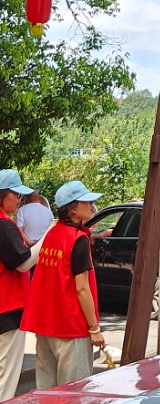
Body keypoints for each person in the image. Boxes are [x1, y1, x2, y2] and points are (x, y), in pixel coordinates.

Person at [21, 180, 106, 388]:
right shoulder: (77, 239)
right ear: (73, 209)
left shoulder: (51, 234)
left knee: (47, 390)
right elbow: (82, 289)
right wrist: (94, 328)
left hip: (45, 325)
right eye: (87, 202)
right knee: (73, 391)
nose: (92, 206)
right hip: (71, 326)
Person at [0, 170, 47, 401]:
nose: (20, 200)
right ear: (3, 195)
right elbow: (21, 263)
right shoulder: (5, 226)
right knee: (6, 376)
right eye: (16, 194)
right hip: (8, 308)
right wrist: (47, 238)